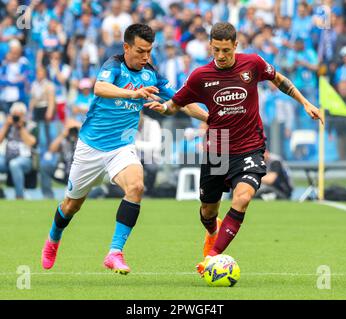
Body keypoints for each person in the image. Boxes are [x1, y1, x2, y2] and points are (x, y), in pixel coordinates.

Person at [145, 22, 322, 276]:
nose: (220, 55)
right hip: (218, 148)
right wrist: (164, 109)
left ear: (235, 46)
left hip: (250, 147)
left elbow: (279, 80)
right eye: (216, 49)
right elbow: (176, 103)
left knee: (242, 197)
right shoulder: (200, 76)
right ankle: (211, 232)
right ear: (210, 46)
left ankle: (213, 258)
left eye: (226, 50)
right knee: (208, 211)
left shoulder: (253, 64)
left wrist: (305, 102)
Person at [40, 24, 207, 274]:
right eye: (140, 51)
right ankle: (53, 238)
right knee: (71, 206)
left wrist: (211, 119)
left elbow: (181, 101)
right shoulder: (113, 66)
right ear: (126, 47)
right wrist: (134, 94)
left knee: (136, 186)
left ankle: (114, 252)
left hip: (121, 148)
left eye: (149, 51)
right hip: (90, 148)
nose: (146, 57)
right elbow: (100, 88)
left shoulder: (151, 75)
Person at [0, 102, 37, 199]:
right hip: (8, 158)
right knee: (8, 162)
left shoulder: (31, 125)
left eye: (19, 115)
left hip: (26, 159)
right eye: (14, 115)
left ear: (24, 115)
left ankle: (19, 196)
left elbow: (31, 143)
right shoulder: (8, 126)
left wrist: (21, 127)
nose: (16, 118)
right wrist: (6, 125)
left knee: (14, 164)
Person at [40, 118, 81, 199]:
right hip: (63, 171)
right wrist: (63, 134)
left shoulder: (82, 139)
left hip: (78, 173)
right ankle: (48, 196)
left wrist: (79, 128)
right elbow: (52, 149)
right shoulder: (64, 139)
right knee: (45, 167)